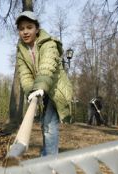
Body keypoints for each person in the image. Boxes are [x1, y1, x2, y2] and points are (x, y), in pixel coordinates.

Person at [15, 11, 73, 156]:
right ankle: (47, 156)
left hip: (56, 89)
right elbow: (25, 74)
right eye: (22, 29)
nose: (25, 32)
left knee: (49, 125)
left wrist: (40, 87)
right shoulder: (22, 50)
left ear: (37, 29)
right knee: (45, 125)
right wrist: (30, 91)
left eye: (29, 27)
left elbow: (47, 66)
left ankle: (50, 162)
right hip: (41, 90)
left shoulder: (49, 44)